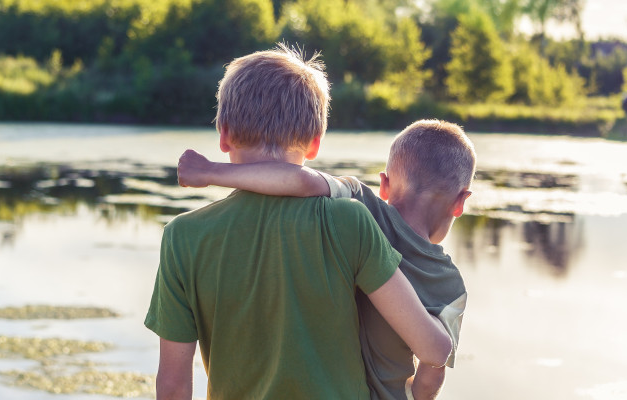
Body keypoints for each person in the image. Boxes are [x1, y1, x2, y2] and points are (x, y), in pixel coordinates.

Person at [145, 45, 452, 400]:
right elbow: (432, 350)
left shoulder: (183, 237)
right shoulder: (349, 221)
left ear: (224, 134)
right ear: (315, 144)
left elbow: (172, 387)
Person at [176, 119, 475, 400]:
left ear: (384, 184)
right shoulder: (452, 286)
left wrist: (211, 172)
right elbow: (430, 377)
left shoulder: (363, 205)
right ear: (461, 202)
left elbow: (300, 181)